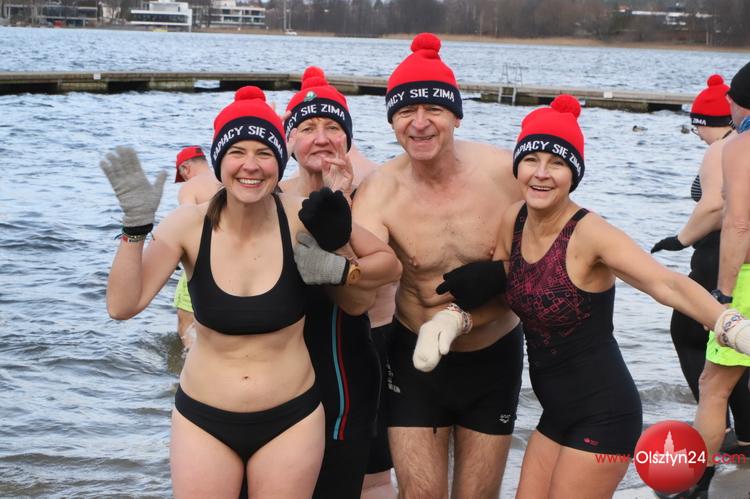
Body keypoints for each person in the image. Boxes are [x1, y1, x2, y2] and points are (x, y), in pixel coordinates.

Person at [433, 94, 750, 498]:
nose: (541, 173)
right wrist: (455, 319)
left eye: (557, 163)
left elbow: (665, 283)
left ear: (574, 173)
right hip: (555, 414)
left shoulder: (590, 232)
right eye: (531, 160)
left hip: (605, 414)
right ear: (517, 166)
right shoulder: (513, 220)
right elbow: (505, 292)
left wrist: (729, 324)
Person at [101, 86, 380, 498]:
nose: (251, 165)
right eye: (237, 152)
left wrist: (341, 264)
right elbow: (122, 305)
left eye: (264, 153)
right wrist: (135, 228)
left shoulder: (302, 217)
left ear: (279, 162)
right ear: (219, 161)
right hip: (203, 419)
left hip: (292, 418)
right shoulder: (187, 225)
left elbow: (379, 269)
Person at [352, 33, 524, 499]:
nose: (420, 123)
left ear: (456, 115)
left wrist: (503, 274)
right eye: (406, 111)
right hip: (415, 361)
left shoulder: (505, 173)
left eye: (434, 109)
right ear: (392, 121)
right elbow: (362, 278)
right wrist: (331, 236)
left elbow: (556, 254)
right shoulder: (379, 191)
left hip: (493, 356)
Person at [279, 66, 402, 499]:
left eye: (333, 128)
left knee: (364, 478)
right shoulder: (272, 195)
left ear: (348, 138)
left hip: (353, 353)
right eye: (308, 128)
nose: (322, 138)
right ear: (288, 140)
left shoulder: (373, 190)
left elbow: (377, 283)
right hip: (284, 359)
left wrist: (341, 206)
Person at [650, 74, 750, 458]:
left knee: (709, 373)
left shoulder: (730, 147)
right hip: (727, 259)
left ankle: (703, 462)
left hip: (727, 263)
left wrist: (680, 240)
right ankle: (744, 436)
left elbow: (722, 212)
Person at [689, 61, 750, 496]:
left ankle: (696, 484)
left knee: (713, 386)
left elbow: (738, 224)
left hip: (747, 278)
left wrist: (723, 296)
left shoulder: (739, 146)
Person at [171, 145, 222, 348]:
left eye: (182, 175)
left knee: (186, 320)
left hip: (202, 262)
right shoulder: (226, 179)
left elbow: (187, 224)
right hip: (234, 261)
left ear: (185, 168)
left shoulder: (190, 187)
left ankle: (188, 362)